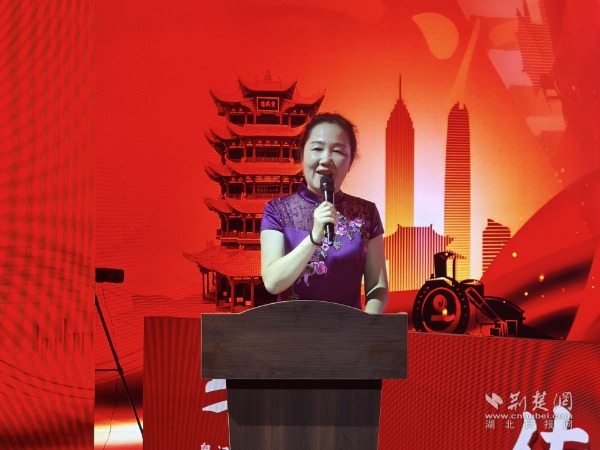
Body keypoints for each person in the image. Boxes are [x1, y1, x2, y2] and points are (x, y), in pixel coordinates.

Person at [260, 112, 388, 313]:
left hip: (349, 329)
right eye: (317, 149)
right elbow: (273, 283)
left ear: (350, 162)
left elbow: (377, 286)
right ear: (302, 155)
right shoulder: (277, 210)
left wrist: (366, 324)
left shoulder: (366, 213)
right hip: (291, 329)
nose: (326, 159)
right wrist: (314, 237)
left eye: (337, 151)